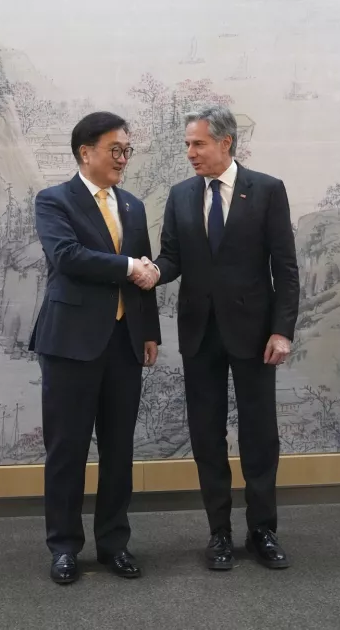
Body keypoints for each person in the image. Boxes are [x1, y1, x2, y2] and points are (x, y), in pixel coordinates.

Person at [137, 104, 299, 570]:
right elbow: (172, 258)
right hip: (200, 334)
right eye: (188, 144)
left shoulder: (267, 190)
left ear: (226, 143)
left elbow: (285, 270)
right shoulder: (181, 195)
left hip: (254, 335)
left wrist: (282, 331)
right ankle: (220, 534)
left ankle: (263, 531)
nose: (190, 152)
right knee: (206, 436)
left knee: (259, 436)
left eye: (198, 144)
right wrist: (151, 271)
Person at [29, 111, 161, 584]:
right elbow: (67, 257)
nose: (123, 158)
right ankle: (64, 547)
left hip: (123, 346)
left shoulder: (133, 206)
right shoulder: (54, 201)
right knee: (67, 451)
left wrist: (149, 333)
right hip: (70, 345)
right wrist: (128, 266)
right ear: (85, 153)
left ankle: (114, 544)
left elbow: (144, 276)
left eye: (127, 150)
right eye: (115, 150)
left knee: (120, 450)